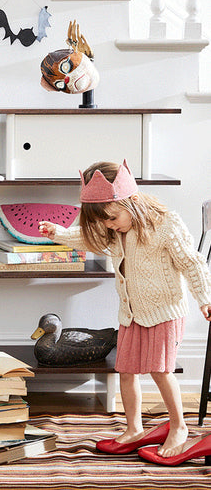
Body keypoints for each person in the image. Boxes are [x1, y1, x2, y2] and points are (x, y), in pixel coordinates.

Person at [38, 159, 211, 462]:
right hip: (131, 313)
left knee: (161, 371)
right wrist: (59, 233)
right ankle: (134, 428)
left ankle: (179, 427)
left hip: (164, 312)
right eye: (104, 221)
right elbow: (87, 237)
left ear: (131, 201)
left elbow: (192, 263)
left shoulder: (166, 224)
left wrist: (205, 298)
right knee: (126, 371)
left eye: (112, 218)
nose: (109, 225)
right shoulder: (115, 229)